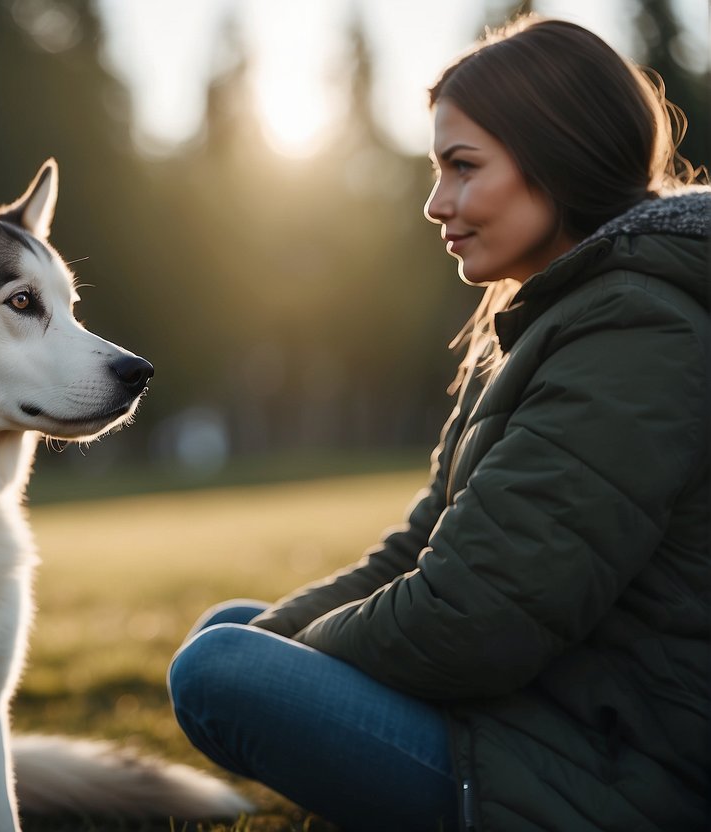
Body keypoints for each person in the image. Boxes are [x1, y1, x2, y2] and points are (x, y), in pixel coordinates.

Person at [166, 16, 710, 832]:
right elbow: (423, 544)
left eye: (462, 167)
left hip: (619, 774)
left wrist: (292, 656)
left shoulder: (636, 331)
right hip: (547, 714)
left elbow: (474, 621)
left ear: (554, 158)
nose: (434, 204)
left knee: (221, 667)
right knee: (234, 634)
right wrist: (285, 638)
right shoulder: (550, 317)